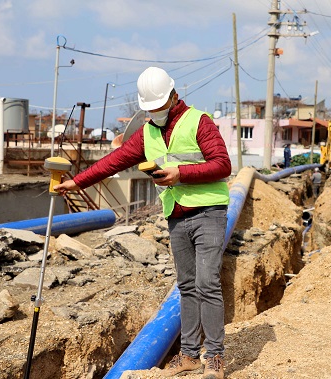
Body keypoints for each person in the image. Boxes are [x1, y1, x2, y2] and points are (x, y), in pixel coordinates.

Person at [54, 67, 231, 379]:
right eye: (150, 109)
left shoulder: (199, 121)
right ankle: (189, 355)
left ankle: (215, 357)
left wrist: (181, 173)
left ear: (174, 97)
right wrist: (77, 182)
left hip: (208, 212)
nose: (155, 113)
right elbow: (114, 160)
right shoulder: (147, 133)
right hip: (176, 213)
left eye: (159, 107)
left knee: (207, 283)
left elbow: (222, 165)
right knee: (187, 286)